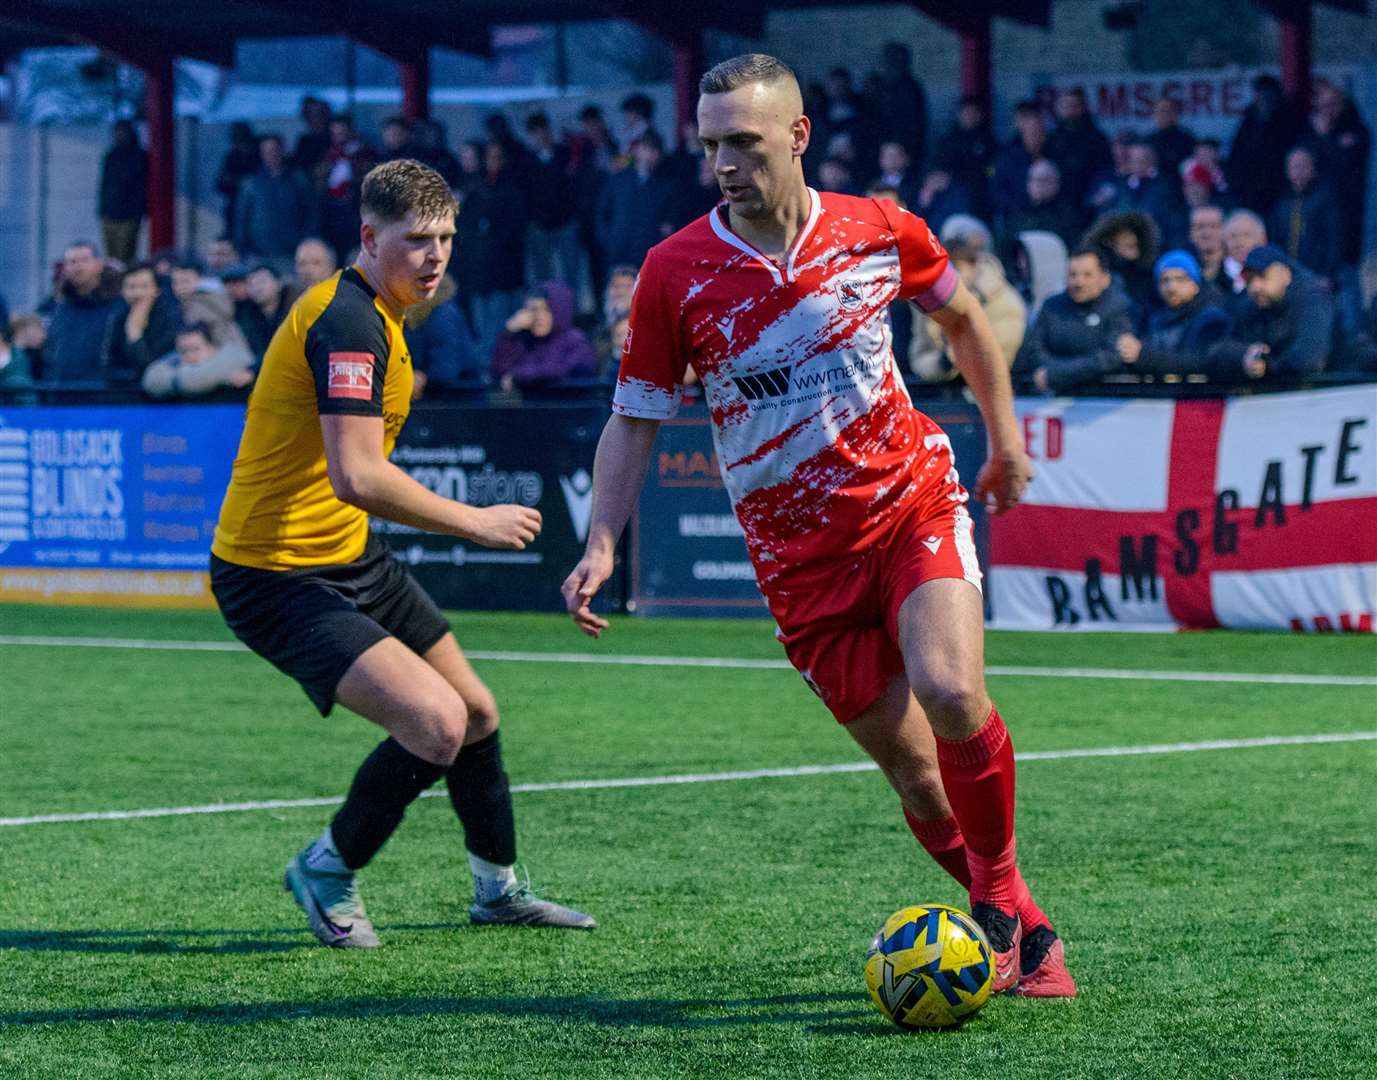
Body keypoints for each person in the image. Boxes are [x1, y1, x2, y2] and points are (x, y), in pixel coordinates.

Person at [561, 54, 1073, 998]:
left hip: (909, 501)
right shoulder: (676, 272)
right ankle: (1030, 939)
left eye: (743, 143)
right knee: (919, 779)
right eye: (710, 144)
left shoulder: (879, 229)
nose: (723, 162)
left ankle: (996, 908)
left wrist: (1002, 441)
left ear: (796, 137)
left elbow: (964, 325)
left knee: (951, 690)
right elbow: (634, 417)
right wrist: (602, 540)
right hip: (800, 567)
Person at [210, 159, 595, 948]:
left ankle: (498, 892)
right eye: (416, 239)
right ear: (368, 238)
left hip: (348, 556)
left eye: (446, 237)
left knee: (477, 713)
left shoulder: (386, 314)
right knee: (435, 724)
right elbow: (356, 475)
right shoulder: (347, 321)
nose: (435, 255)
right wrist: (473, 522)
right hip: (273, 573)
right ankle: (325, 870)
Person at [1015, 247, 1135, 393]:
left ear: (1105, 279)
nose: (1079, 282)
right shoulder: (1051, 305)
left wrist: (1056, 374)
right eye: (1073, 275)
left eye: (1087, 275)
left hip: (1104, 397)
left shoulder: (1120, 307)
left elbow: (1112, 356)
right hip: (1055, 396)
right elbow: (1034, 350)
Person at [911, 236, 1026, 384]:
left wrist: (961, 355)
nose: (949, 276)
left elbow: (999, 360)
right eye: (943, 269)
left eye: (956, 269)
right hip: (941, 394)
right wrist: (943, 363)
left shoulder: (1004, 301)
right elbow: (920, 356)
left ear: (974, 266)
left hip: (990, 392)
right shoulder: (928, 300)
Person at [1209, 244, 1332, 381]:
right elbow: (1218, 349)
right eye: (1249, 279)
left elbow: (1310, 358)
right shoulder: (1251, 304)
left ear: (1286, 275)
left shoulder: (1312, 299)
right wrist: (1245, 355)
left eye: (1263, 276)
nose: (1255, 287)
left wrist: (1269, 365)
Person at [1115, 251, 1230, 378]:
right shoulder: (1155, 319)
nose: (1172, 287)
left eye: (1180, 279)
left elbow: (1200, 362)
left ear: (1195, 285)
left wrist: (1143, 356)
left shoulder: (1212, 319)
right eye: (1165, 280)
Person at [491, 281, 596, 394]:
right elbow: (500, 370)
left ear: (559, 309)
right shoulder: (528, 341)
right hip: (534, 409)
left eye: (546, 309)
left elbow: (558, 370)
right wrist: (509, 334)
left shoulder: (576, 340)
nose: (539, 316)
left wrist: (518, 376)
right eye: (533, 310)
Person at [596, 130, 681, 271]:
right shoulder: (618, 179)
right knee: (614, 291)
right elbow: (601, 213)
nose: (648, 154)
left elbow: (669, 225)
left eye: (653, 150)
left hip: (646, 256)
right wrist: (607, 241)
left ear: (659, 155)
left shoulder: (666, 187)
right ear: (636, 151)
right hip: (616, 252)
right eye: (645, 148)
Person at [234, 134, 317, 272]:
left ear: (282, 150)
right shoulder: (251, 184)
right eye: (266, 151)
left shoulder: (298, 180)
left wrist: (307, 241)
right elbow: (241, 220)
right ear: (261, 154)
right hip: (259, 255)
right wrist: (244, 251)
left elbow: (312, 213)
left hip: (292, 254)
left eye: (274, 150)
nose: (271, 155)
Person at [44, 241, 123, 384]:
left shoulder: (118, 306)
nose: (78, 267)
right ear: (65, 268)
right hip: (61, 395)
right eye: (72, 262)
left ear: (99, 264)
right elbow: (50, 353)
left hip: (105, 397)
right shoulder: (59, 309)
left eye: (84, 260)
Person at [1268, 146, 1341, 283]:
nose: (1298, 172)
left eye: (1303, 166)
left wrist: (1328, 273)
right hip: (1287, 276)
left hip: (1316, 276)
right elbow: (1275, 240)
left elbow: (1334, 239)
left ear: (1313, 170)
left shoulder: (1325, 200)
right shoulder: (1283, 204)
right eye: (1294, 167)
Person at [404, 274, 482, 397]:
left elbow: (446, 368)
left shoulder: (442, 315)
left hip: (456, 402)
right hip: (436, 398)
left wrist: (419, 378)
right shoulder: (410, 317)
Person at [103, 261, 180, 385]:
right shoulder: (118, 317)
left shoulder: (171, 319)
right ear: (123, 291)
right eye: (132, 287)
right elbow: (109, 367)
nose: (138, 293)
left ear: (156, 290)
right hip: (124, 394)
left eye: (144, 287)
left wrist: (135, 335)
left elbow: (151, 371)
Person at [141, 322, 256, 400]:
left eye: (195, 349)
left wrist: (175, 381)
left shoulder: (233, 356)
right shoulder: (176, 360)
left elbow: (203, 376)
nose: (189, 355)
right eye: (183, 351)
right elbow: (150, 379)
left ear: (212, 347)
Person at [1044, 87, 1111, 211]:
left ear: (1083, 108)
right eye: (1066, 106)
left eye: (1074, 106)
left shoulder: (1097, 139)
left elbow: (1105, 170)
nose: (1070, 111)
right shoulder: (1051, 139)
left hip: (1090, 202)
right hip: (1059, 203)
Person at [98, 120, 147, 265]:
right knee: (111, 256)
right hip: (110, 212)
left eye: (122, 132)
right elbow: (104, 184)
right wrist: (102, 209)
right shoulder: (110, 156)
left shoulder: (139, 156)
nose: (118, 135)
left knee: (124, 254)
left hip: (129, 213)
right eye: (116, 132)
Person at [236, 263, 298, 360]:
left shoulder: (296, 306)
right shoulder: (245, 313)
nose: (257, 288)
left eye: (262, 282)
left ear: (279, 283)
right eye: (251, 284)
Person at [216, 122, 261, 234]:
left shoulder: (259, 156)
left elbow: (259, 182)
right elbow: (220, 184)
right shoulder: (232, 157)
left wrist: (237, 181)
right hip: (235, 208)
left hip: (257, 208)